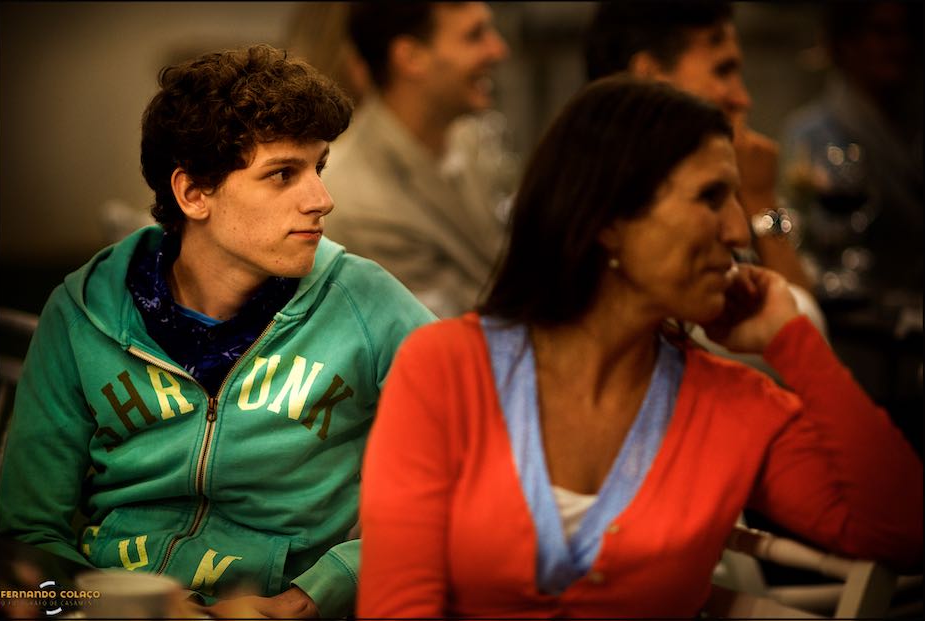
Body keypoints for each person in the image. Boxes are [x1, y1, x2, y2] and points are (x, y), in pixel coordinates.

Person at [357, 75, 923, 617]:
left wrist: (793, 342)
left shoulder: (734, 406)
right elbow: (398, 606)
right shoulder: (446, 368)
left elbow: (902, 528)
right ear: (608, 218)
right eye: (710, 197)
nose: (738, 231)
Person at [0, 44, 434, 619]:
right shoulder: (83, 311)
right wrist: (104, 604)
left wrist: (312, 598)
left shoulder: (367, 303)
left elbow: (471, 477)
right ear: (194, 193)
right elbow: (24, 550)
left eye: (318, 168)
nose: (322, 200)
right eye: (283, 174)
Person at [584, 1, 814, 295]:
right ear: (649, 77)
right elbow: (797, 321)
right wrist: (760, 200)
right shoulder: (612, 209)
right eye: (723, 71)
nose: (742, 99)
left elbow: (798, 330)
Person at [322, 1, 513, 319]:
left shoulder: (472, 137)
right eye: (475, 36)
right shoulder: (358, 200)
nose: (498, 50)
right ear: (410, 57)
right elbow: (452, 337)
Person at [779, 1, 923, 303]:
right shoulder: (811, 133)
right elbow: (800, 235)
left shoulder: (913, 126)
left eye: (906, 32)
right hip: (854, 316)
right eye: (882, 33)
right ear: (847, 43)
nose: (899, 46)